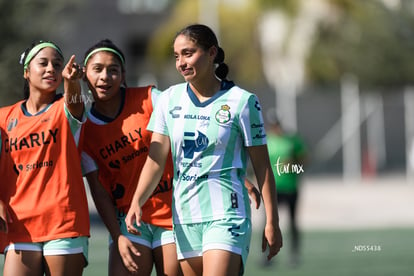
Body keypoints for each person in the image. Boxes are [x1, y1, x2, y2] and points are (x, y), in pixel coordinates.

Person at [125, 24, 283, 276]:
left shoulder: (242, 102)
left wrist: (272, 221)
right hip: (185, 217)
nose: (181, 63)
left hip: (227, 215)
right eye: (177, 56)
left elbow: (263, 167)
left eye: (188, 53)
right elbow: (155, 161)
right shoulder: (168, 99)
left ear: (211, 53)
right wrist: (137, 201)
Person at [80, 39, 181, 276]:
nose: (105, 76)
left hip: (173, 214)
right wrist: (117, 236)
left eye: (113, 70)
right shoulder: (83, 130)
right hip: (131, 221)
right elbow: (99, 190)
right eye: (97, 69)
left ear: (123, 75)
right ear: (84, 75)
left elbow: (188, 136)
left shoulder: (151, 98)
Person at [0, 40, 90, 276]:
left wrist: (73, 82)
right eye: (43, 63)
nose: (51, 68)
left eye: (57, 64)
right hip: (19, 222)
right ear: (27, 72)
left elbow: (75, 103)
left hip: (63, 221)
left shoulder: (65, 108)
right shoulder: (4, 117)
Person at [266, 112, 307, 267]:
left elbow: (304, 158)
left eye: (277, 124)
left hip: (290, 186)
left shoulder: (292, 140)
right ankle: (268, 255)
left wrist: (293, 162)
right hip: (272, 188)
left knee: (292, 222)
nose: (275, 127)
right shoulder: (266, 140)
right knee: (269, 222)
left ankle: (294, 254)